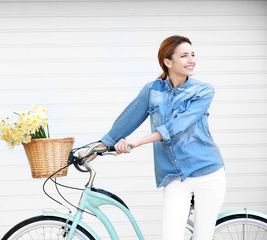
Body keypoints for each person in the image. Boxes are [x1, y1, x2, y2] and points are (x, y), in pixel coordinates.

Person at [79, 35, 226, 240]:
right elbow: (125, 122)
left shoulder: (202, 91)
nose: (191, 60)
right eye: (184, 56)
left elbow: (176, 126)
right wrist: (95, 149)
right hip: (175, 177)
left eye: (192, 55)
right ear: (168, 61)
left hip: (208, 173)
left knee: (202, 236)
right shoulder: (152, 90)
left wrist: (137, 142)